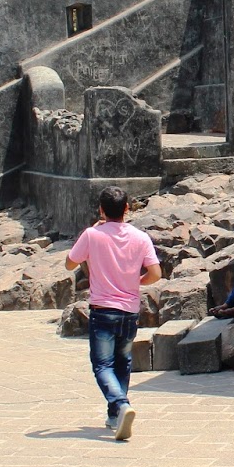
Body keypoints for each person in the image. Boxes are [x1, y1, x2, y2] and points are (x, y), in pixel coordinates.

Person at [65, 187, 160, 441]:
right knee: (123, 361)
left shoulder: (91, 235)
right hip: (129, 310)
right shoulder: (140, 237)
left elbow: (70, 263)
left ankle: (120, 404)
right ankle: (114, 415)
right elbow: (156, 274)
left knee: (102, 365)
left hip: (102, 310)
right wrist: (135, 281)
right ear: (127, 208)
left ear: (101, 209)